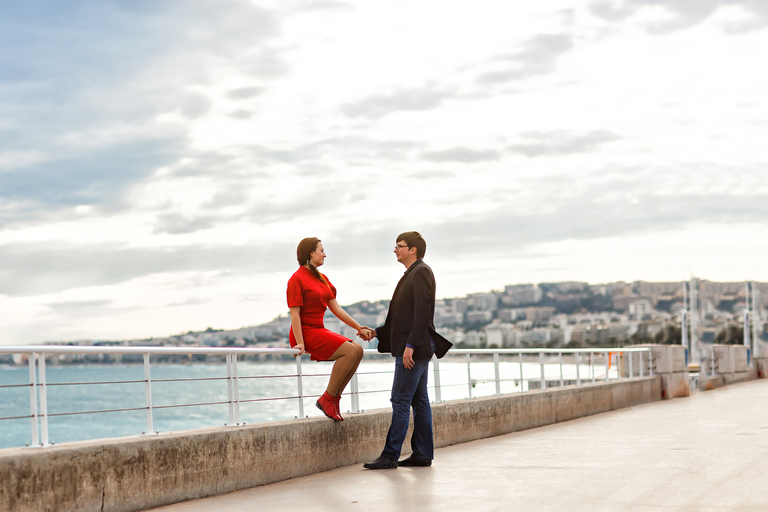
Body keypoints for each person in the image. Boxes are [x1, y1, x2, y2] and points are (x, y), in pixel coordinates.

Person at [363, 231, 452, 469]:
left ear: (412, 249)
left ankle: (390, 455)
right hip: (415, 347)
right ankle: (422, 454)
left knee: (400, 399)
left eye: (399, 246)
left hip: (413, 349)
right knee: (419, 401)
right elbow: (401, 320)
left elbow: (422, 314)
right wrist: (375, 333)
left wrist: (410, 345)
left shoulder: (420, 272)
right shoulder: (412, 274)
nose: (395, 250)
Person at [287, 237, 371, 421]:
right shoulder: (296, 279)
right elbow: (295, 314)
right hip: (305, 332)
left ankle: (332, 399)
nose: (324, 254)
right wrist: (300, 342)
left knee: (357, 350)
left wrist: (358, 328)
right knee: (349, 351)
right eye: (321, 250)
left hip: (318, 329)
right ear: (311, 253)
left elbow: (336, 308)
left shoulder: (323, 279)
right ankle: (328, 398)